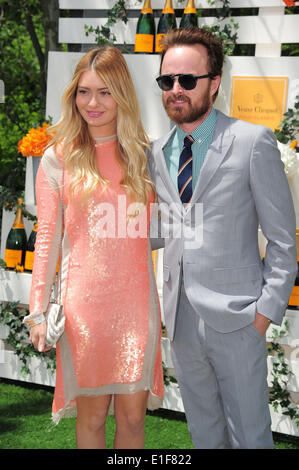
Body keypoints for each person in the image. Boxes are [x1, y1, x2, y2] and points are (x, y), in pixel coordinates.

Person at [148, 27, 297, 449]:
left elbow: (284, 241)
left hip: (239, 319)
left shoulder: (252, 142)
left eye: (187, 80)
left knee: (250, 436)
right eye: (167, 81)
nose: (176, 90)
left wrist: (263, 314)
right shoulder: (157, 153)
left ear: (214, 82)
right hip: (181, 321)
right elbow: (164, 228)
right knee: (204, 435)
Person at [23, 46, 164, 449]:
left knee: (134, 419)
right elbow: (47, 237)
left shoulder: (146, 155)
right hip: (82, 307)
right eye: (84, 92)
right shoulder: (57, 159)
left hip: (137, 303)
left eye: (104, 92)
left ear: (122, 93)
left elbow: (170, 227)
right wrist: (37, 312)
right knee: (91, 417)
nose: (92, 103)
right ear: (73, 96)